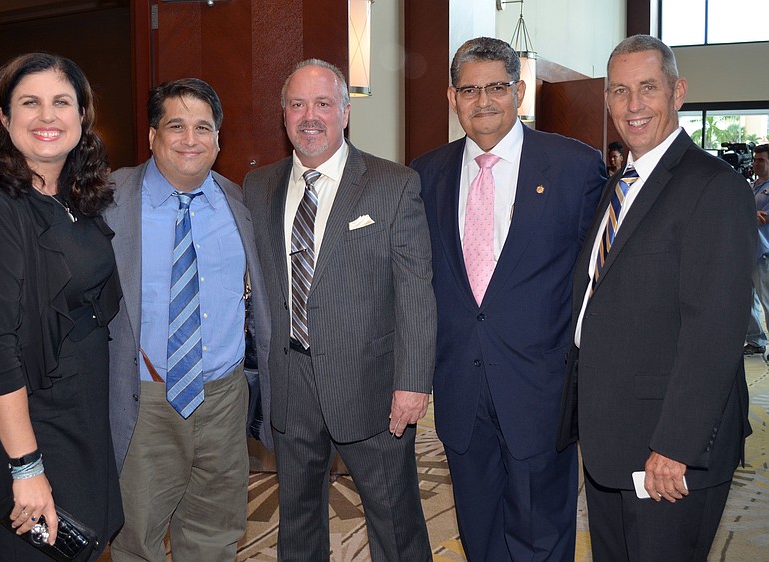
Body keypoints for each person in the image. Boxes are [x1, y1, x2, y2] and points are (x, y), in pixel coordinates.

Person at [557, 35, 755, 561]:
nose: (633, 105)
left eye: (648, 88)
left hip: (667, 449)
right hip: (612, 439)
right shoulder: (619, 184)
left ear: (677, 91)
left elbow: (714, 331)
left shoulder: (714, 187)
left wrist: (675, 445)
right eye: (620, 91)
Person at [410, 37, 606, 561]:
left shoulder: (574, 166)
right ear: (452, 98)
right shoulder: (425, 174)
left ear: (519, 92)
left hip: (540, 390)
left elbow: (597, 284)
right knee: (479, 532)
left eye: (496, 87)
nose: (483, 101)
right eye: (469, 90)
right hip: (460, 388)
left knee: (541, 536)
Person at [243, 59, 436, 562]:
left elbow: (415, 290)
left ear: (345, 113)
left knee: (395, 523)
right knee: (298, 523)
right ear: (284, 114)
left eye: (323, 104)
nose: (310, 116)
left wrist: (413, 382)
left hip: (373, 388)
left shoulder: (393, 184)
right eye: (298, 104)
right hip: (291, 384)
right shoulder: (258, 187)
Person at [0, 52, 123, 560]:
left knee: (85, 537)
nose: (47, 116)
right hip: (23, 413)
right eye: (29, 103)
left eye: (61, 102)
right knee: (41, 548)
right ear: (3, 117)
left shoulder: (73, 194)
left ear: (81, 115)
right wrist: (26, 466)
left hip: (77, 401)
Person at [105, 78, 271, 562]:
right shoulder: (108, 200)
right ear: (152, 135)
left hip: (223, 397)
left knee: (215, 534)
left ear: (218, 139)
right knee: (137, 536)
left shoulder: (239, 203)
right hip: (144, 399)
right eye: (176, 126)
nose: (190, 139)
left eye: (203, 127)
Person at [745, 143, 769, 356]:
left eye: (761, 160)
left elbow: (763, 218)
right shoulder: (751, 186)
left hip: (764, 252)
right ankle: (755, 340)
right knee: (746, 300)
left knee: (767, 300)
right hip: (747, 250)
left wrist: (749, 215)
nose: (756, 164)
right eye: (755, 159)